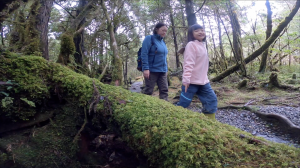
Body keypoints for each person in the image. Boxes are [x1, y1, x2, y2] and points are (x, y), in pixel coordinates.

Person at [176, 24, 218, 120]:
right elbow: (188, 63)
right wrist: (186, 80)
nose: (200, 32)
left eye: (202, 30)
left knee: (211, 100)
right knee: (184, 104)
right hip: (191, 82)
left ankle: (210, 123)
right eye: (197, 30)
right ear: (191, 33)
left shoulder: (202, 45)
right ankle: (175, 121)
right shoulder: (191, 45)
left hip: (203, 81)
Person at [141, 22, 169, 100]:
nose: (164, 32)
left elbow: (164, 57)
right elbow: (144, 53)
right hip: (151, 70)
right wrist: (146, 68)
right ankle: (144, 106)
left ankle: (164, 107)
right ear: (157, 29)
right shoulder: (149, 38)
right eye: (163, 30)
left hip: (162, 71)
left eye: (166, 31)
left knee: (164, 90)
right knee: (148, 90)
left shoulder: (163, 42)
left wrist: (166, 69)